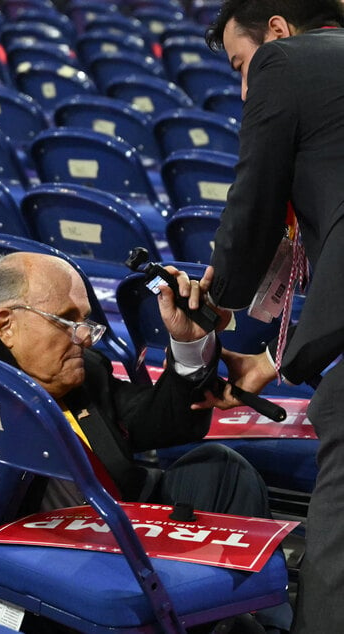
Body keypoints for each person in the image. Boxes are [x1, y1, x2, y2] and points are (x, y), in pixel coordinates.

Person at [0, 252, 289, 632]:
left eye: (85, 321)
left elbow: (165, 424)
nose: (84, 337)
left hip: (120, 523)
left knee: (220, 468)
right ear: (4, 325)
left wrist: (188, 345)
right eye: (66, 320)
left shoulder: (87, 372)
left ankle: (257, 620)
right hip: (47, 561)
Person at [202, 2, 344, 632]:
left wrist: (214, 301)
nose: (243, 86)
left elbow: (253, 203)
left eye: (241, 63)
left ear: (279, 30)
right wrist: (273, 360)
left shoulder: (285, 63)